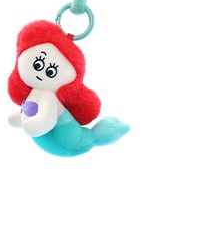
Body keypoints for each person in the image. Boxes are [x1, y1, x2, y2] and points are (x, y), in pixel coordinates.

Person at [7, 20, 128, 156]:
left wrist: (34, 125)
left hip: (70, 141)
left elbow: (47, 120)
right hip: (53, 142)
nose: (41, 73)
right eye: (38, 65)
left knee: (92, 138)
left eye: (51, 71)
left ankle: (112, 129)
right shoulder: (36, 91)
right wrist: (20, 118)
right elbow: (30, 112)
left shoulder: (49, 98)